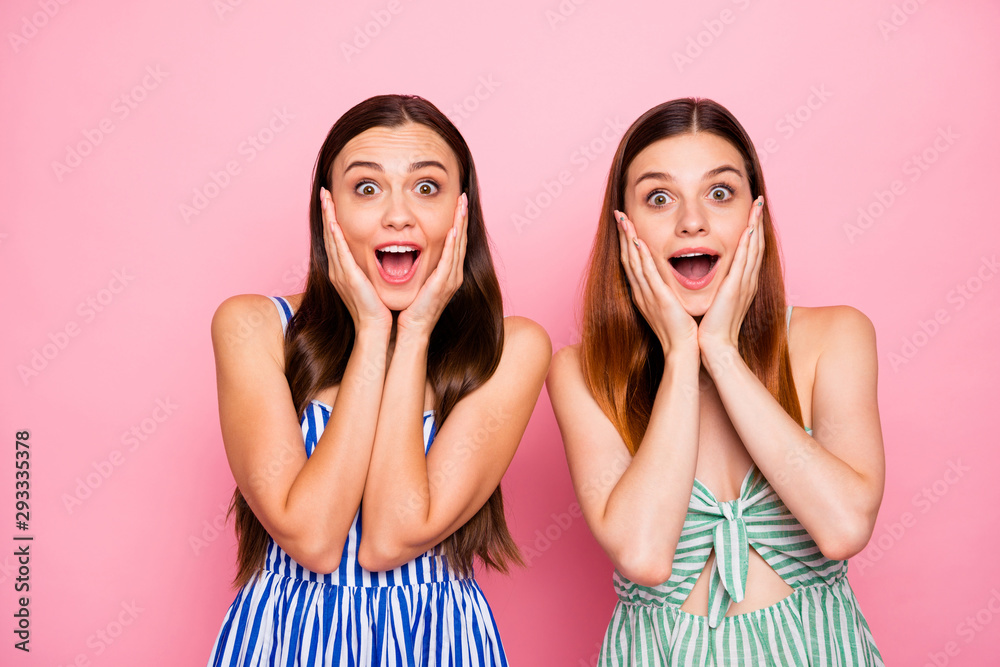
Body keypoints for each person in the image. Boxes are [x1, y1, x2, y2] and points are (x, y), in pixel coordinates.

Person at [206, 94, 551, 666]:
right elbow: (312, 539)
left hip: (437, 641)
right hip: (285, 639)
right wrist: (371, 329)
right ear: (328, 211)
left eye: (426, 188)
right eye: (367, 188)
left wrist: (412, 333)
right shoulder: (253, 327)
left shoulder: (509, 349)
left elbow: (392, 536)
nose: (398, 215)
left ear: (463, 212)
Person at [547, 98, 885, 665]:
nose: (692, 221)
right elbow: (644, 553)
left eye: (720, 193)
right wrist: (682, 353)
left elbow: (844, 526)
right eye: (659, 197)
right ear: (622, 229)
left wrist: (722, 353)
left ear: (757, 214)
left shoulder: (837, 337)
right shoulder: (582, 373)